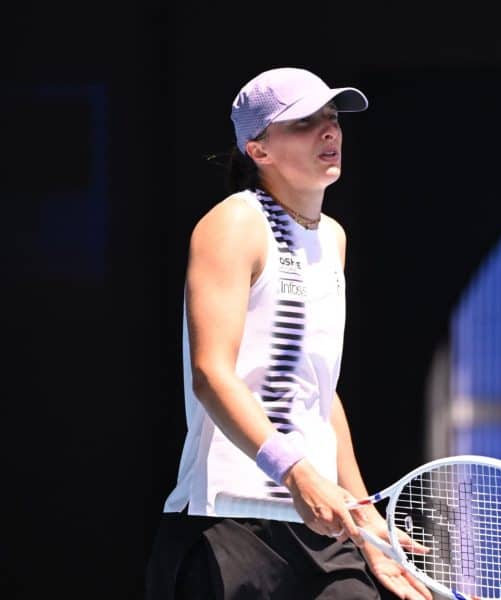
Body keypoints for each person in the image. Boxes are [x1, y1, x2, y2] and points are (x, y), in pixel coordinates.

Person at [145, 67, 432, 600]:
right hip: (229, 521)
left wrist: (363, 512)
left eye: (332, 118)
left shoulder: (334, 238)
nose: (329, 131)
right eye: (304, 122)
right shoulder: (234, 222)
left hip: (323, 524)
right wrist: (295, 473)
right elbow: (210, 374)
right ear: (259, 150)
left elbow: (319, 394)